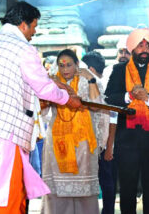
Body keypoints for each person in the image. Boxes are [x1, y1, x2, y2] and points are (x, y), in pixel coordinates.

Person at [0, 1, 81, 214]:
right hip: (3, 134)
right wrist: (68, 99)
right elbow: (43, 88)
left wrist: (57, 85)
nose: (34, 32)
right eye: (34, 26)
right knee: (6, 194)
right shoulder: (23, 48)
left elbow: (25, 81)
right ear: (23, 24)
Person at [105, 28, 149, 214]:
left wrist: (148, 99)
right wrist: (129, 96)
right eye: (140, 45)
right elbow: (109, 99)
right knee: (127, 191)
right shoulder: (119, 70)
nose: (144, 49)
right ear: (131, 49)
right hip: (126, 142)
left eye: (147, 45)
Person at [41, 49, 104, 214]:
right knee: (57, 189)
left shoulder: (86, 80)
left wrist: (91, 79)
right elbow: (43, 109)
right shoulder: (51, 82)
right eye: (61, 65)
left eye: (69, 64)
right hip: (57, 140)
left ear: (77, 64)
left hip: (82, 141)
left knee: (83, 189)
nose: (65, 69)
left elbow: (96, 106)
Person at [82, 51, 117, 214]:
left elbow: (111, 119)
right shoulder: (94, 84)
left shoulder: (99, 86)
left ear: (89, 68)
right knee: (104, 180)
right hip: (96, 142)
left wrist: (108, 146)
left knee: (105, 181)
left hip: (100, 142)